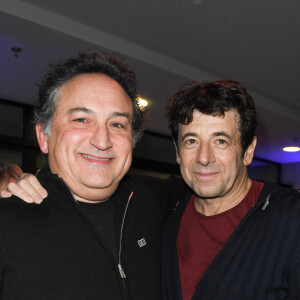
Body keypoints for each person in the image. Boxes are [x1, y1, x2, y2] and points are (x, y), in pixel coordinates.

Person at [0, 50, 187, 299]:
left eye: (117, 124)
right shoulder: (8, 223)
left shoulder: (148, 199)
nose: (102, 140)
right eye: (81, 119)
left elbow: (203, 182)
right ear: (44, 137)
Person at [162, 80, 300, 299]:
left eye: (220, 141)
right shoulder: (166, 214)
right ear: (177, 151)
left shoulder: (291, 219)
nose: (204, 158)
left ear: (247, 151)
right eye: (191, 141)